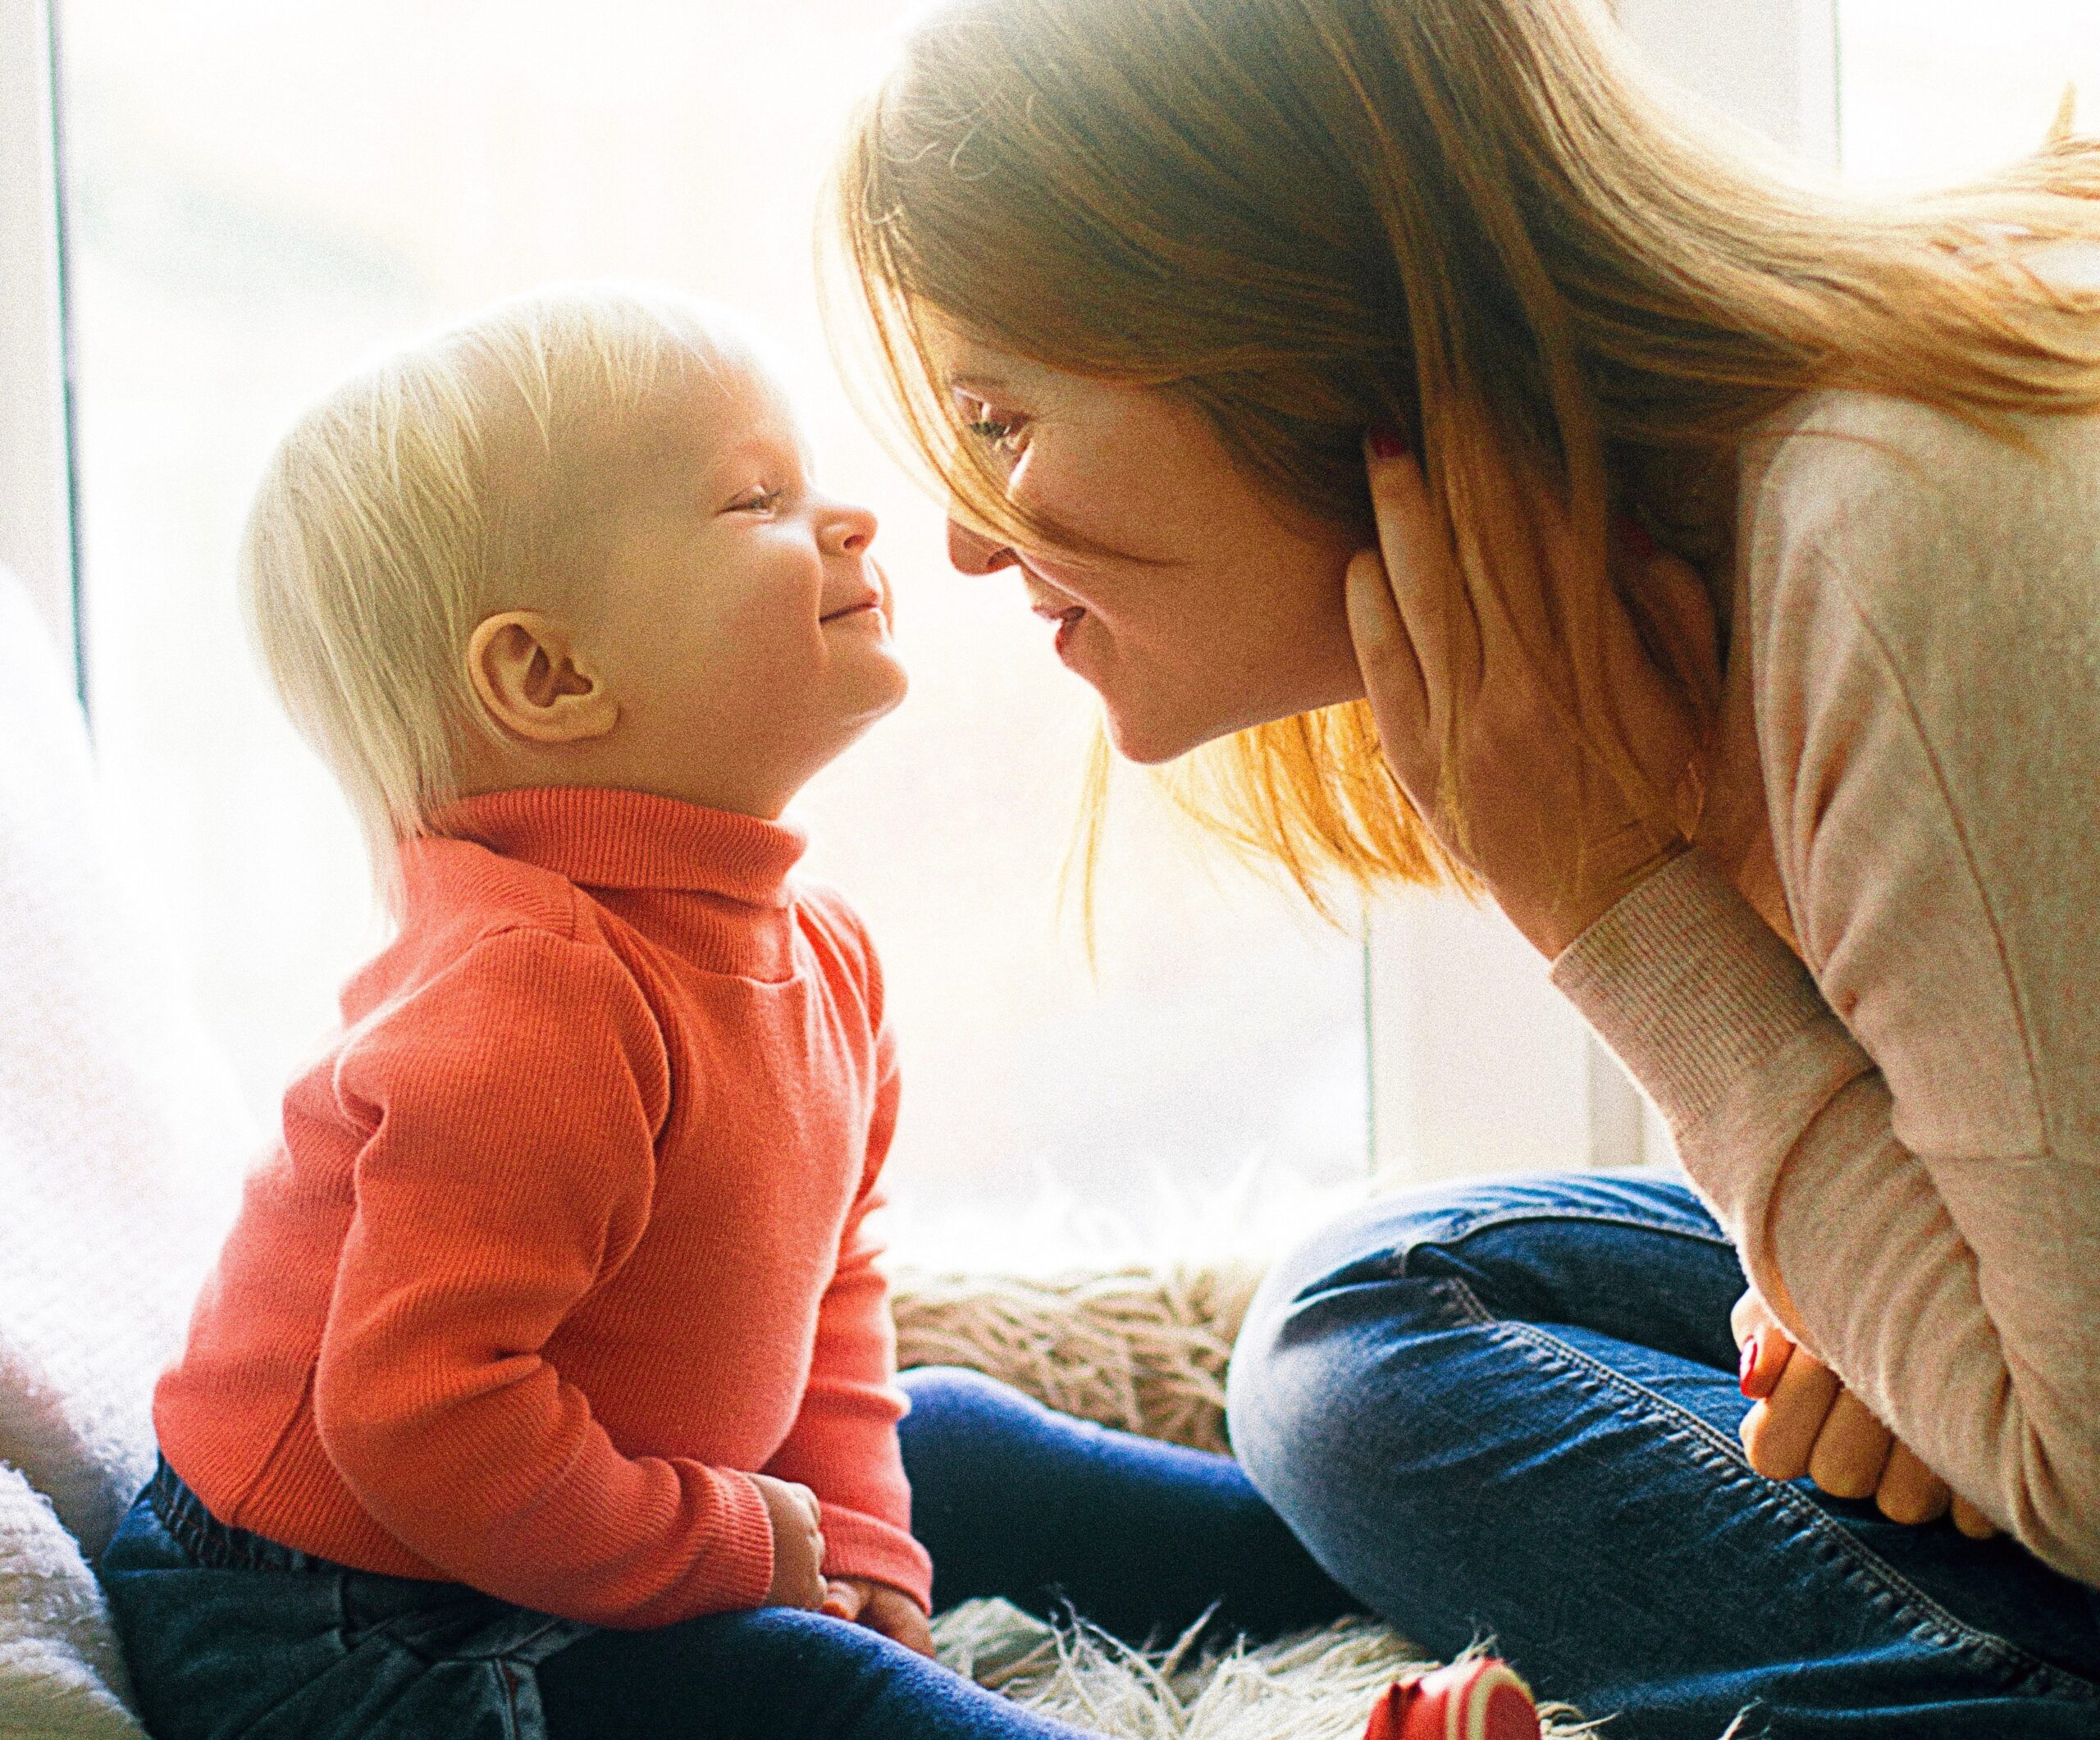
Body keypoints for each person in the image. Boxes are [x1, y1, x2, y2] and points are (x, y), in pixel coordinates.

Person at [824, 0, 2100, 1733]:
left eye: (995, 417)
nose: (971, 538)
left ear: (1269, 315)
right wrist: (1847, 1323)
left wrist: (1613, 912)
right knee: (1366, 1312)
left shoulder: (1878, 545)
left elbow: (2081, 1457)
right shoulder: (1703, 577)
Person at [96, 283, 1358, 1740]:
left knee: (949, 1439)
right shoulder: (532, 998)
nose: (849, 520)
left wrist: (858, 1534)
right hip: (329, 1620)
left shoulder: (822, 955)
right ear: (550, 676)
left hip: (568, 1510)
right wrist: (732, 1546)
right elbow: (415, 1415)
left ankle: (1397, 1572)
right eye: (757, 499)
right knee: (802, 1686)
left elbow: (831, 1287)